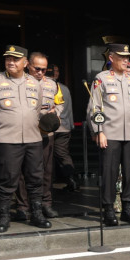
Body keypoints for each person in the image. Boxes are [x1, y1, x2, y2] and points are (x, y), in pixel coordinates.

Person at [0, 44, 51, 233]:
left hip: (33, 138)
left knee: (35, 178)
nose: (11, 62)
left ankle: (36, 214)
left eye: (15, 59)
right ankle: (3, 217)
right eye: (8, 59)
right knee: (6, 179)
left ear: (25, 62)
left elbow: (36, 111)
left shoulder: (34, 83)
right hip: (7, 140)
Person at [88, 43, 130, 225]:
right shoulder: (101, 79)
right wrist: (99, 131)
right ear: (112, 58)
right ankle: (108, 210)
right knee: (109, 173)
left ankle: (127, 208)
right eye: (122, 57)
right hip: (110, 134)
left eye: (128, 58)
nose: (126, 61)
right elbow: (94, 107)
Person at [13, 51, 63, 219]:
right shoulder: (19, 82)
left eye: (44, 69)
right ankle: (23, 206)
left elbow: (59, 104)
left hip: (45, 134)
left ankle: (45, 203)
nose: (40, 72)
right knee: (23, 171)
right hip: (25, 133)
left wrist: (56, 115)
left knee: (46, 171)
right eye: (37, 68)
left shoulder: (52, 84)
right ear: (28, 65)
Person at [50, 65, 77, 193]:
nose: (55, 73)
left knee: (47, 156)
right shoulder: (64, 88)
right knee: (62, 155)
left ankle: (49, 183)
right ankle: (71, 179)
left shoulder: (47, 87)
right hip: (64, 126)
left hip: (52, 127)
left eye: (57, 70)